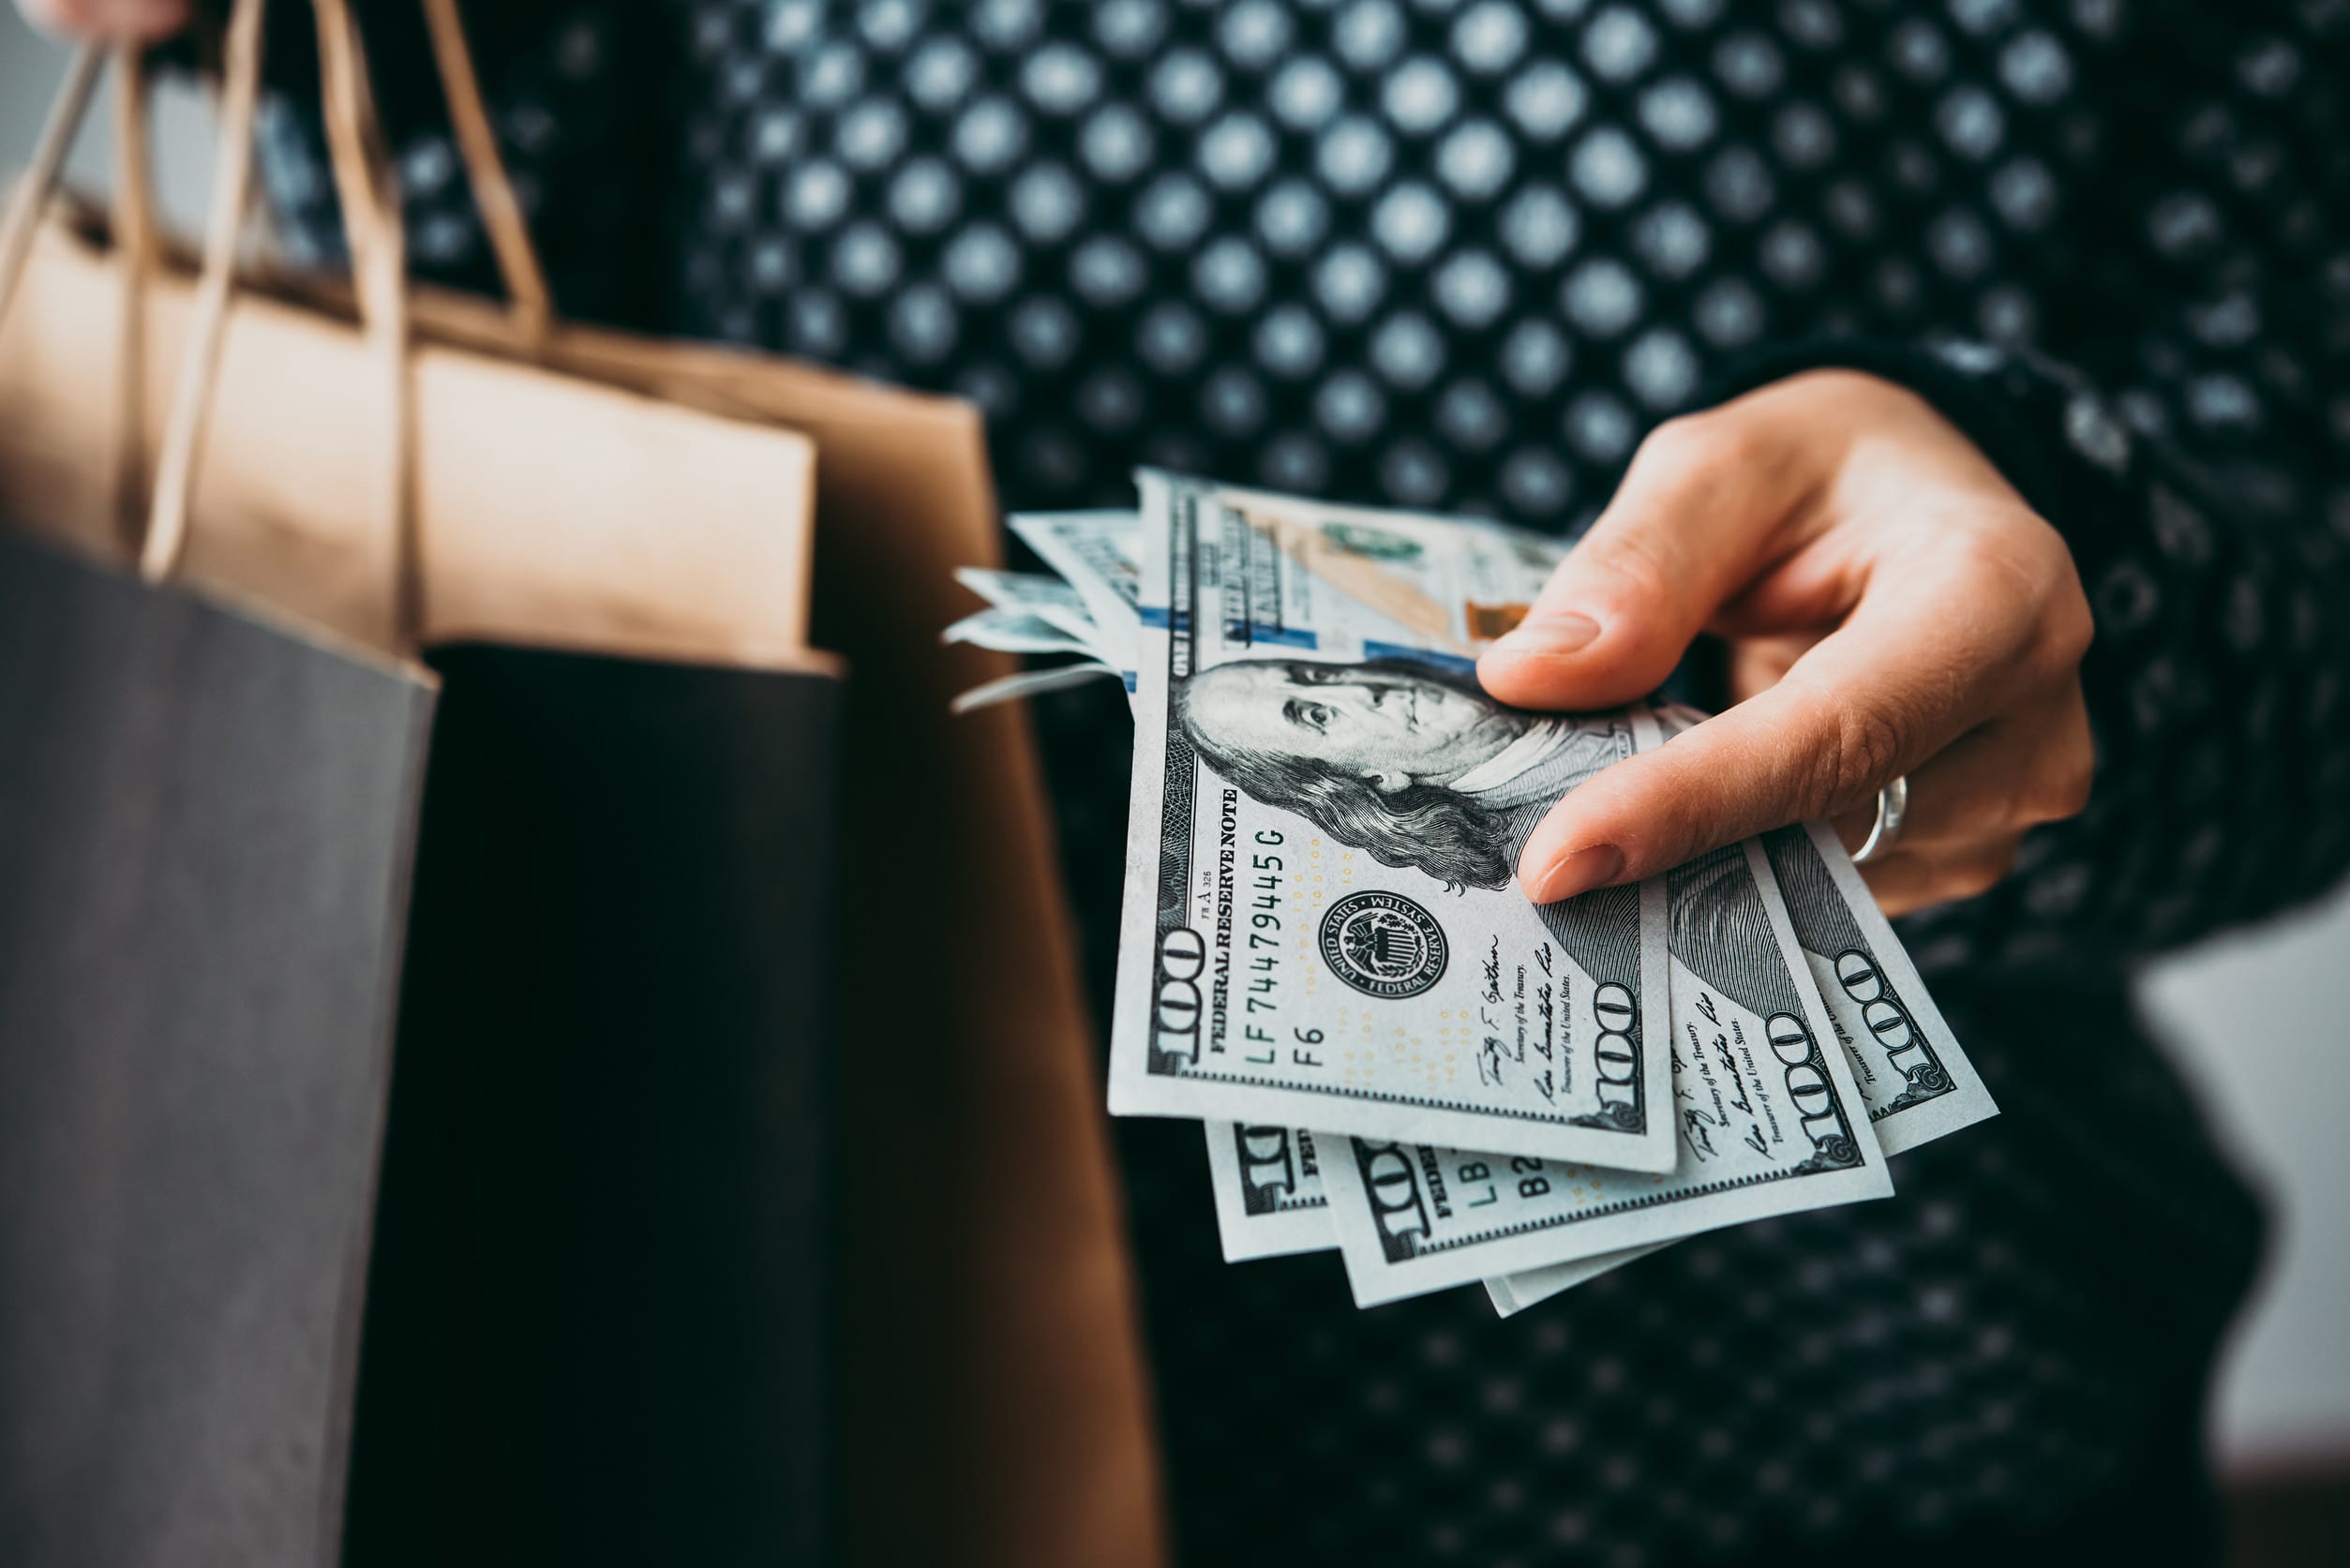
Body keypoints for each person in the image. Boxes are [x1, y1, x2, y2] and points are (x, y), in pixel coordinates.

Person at [26, 2, 2346, 1563]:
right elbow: (516, 286)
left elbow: (2312, 583)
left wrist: (2072, 613)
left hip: (1831, 1450)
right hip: (752, 1380)